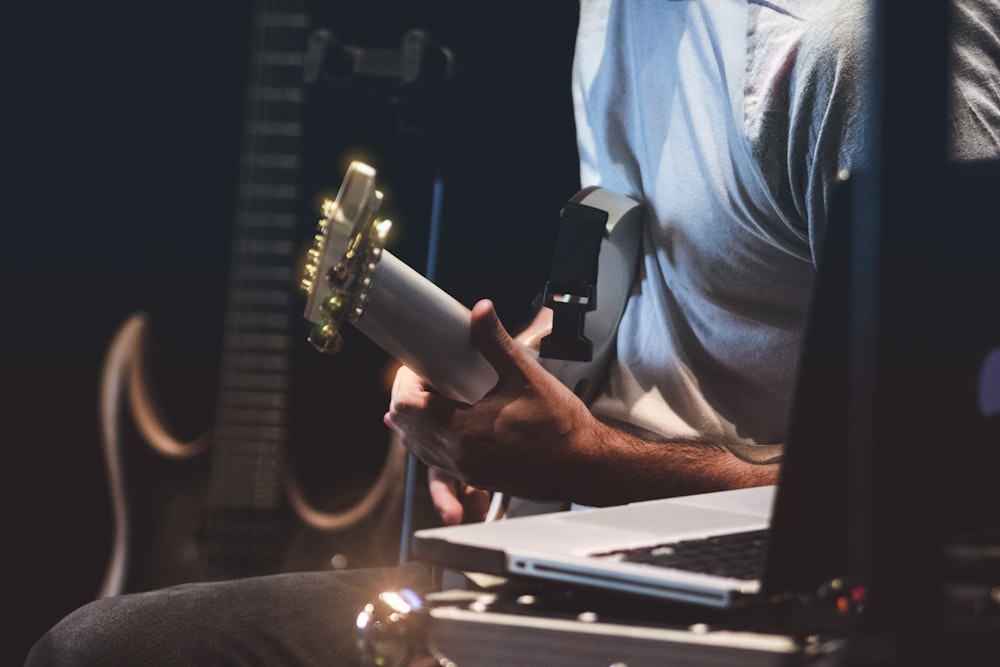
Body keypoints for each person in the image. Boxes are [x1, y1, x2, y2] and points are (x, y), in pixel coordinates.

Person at [26, 1, 999, 665]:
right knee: (102, 648)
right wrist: (512, 378)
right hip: (586, 568)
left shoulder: (858, 54)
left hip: (769, 623)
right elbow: (638, 267)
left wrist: (588, 461)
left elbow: (962, 513)